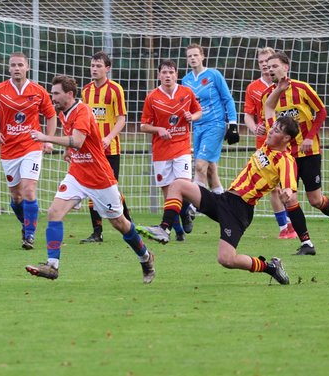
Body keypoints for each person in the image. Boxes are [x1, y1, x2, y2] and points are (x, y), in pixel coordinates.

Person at [24, 75, 155, 283]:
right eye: (52, 92)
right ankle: (52, 265)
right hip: (77, 174)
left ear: (69, 94)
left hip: (99, 177)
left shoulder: (83, 111)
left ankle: (145, 257)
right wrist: (68, 150)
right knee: (54, 212)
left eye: (56, 93)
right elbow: (73, 143)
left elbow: (77, 140)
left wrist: (45, 138)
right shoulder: (63, 113)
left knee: (119, 223)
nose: (53, 97)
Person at [138, 116, 298, 285]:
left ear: (286, 138)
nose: (271, 130)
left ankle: (270, 267)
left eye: (277, 130)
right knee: (177, 185)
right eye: (272, 127)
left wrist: (286, 194)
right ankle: (164, 229)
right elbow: (270, 108)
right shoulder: (268, 143)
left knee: (226, 259)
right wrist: (279, 88)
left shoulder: (286, 160)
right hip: (225, 199)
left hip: (240, 211)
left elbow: (289, 187)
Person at [263, 52, 329, 255]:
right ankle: (307, 243)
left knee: (315, 200)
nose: (270, 69)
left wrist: (310, 137)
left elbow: (322, 111)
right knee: (288, 198)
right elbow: (271, 122)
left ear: (286, 67)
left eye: (274, 66)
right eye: (267, 66)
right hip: (286, 157)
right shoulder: (268, 96)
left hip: (309, 152)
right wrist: (261, 129)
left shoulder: (302, 88)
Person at [0, 51, 57, 249]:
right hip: (8, 149)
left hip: (31, 146)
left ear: (27, 67)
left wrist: (48, 140)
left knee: (29, 190)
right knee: (16, 196)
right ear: (9, 68)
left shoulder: (38, 91)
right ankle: (26, 224)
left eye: (20, 65)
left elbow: (51, 115)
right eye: (13, 65)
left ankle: (29, 236)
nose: (16, 68)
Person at [139, 59, 202, 241]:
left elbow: (199, 112)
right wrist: (158, 129)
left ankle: (178, 220)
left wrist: (193, 116)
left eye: (171, 72)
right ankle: (180, 227)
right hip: (161, 151)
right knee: (168, 194)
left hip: (182, 146)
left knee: (182, 187)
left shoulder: (186, 92)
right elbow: (143, 125)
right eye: (164, 72)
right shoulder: (152, 97)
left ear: (176, 74)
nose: (168, 76)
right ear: (159, 75)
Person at [79, 52, 132, 243]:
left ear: (107, 68)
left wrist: (109, 137)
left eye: (98, 66)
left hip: (111, 149)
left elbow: (121, 118)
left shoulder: (116, 90)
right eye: (92, 65)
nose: (94, 69)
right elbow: (83, 119)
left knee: (112, 190)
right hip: (91, 150)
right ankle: (97, 232)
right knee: (92, 188)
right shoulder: (86, 91)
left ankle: (128, 224)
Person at [243, 47, 296, 239]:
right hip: (265, 143)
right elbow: (248, 115)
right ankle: (284, 227)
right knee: (272, 185)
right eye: (261, 62)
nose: (265, 65)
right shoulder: (253, 88)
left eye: (268, 61)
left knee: (288, 184)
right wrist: (254, 128)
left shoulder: (289, 85)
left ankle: (294, 222)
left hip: (289, 142)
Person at [181, 44, 238, 195]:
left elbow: (228, 99)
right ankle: (223, 205)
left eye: (195, 55)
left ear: (202, 56)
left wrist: (233, 124)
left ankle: (193, 207)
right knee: (210, 170)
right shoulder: (186, 81)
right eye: (189, 56)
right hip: (197, 127)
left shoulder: (214, 75)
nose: (193, 58)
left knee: (200, 166)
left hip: (215, 125)